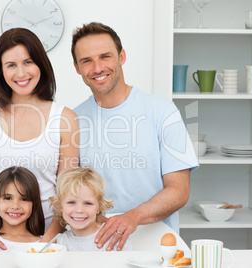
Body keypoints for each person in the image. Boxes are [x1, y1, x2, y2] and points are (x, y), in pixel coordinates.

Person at [0, 28, 79, 251]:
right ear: (0, 71)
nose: (21, 73)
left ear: (41, 64)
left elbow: (67, 194)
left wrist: (45, 242)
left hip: (45, 235)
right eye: (11, 65)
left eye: (28, 62)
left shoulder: (65, 118)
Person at [71, 22, 198, 251]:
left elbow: (179, 190)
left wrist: (133, 216)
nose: (97, 67)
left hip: (157, 245)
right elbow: (68, 189)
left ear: (122, 56)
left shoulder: (162, 112)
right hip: (95, 246)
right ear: (77, 67)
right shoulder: (72, 121)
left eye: (105, 56)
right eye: (87, 60)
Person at [49, 166, 133, 251]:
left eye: (88, 203)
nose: (79, 210)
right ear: (60, 206)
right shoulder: (59, 243)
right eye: (71, 202)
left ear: (99, 207)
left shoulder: (115, 238)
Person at [0, 166, 44, 251]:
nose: (15, 206)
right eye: (8, 198)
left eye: (24, 199)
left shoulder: (45, 244)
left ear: (34, 204)